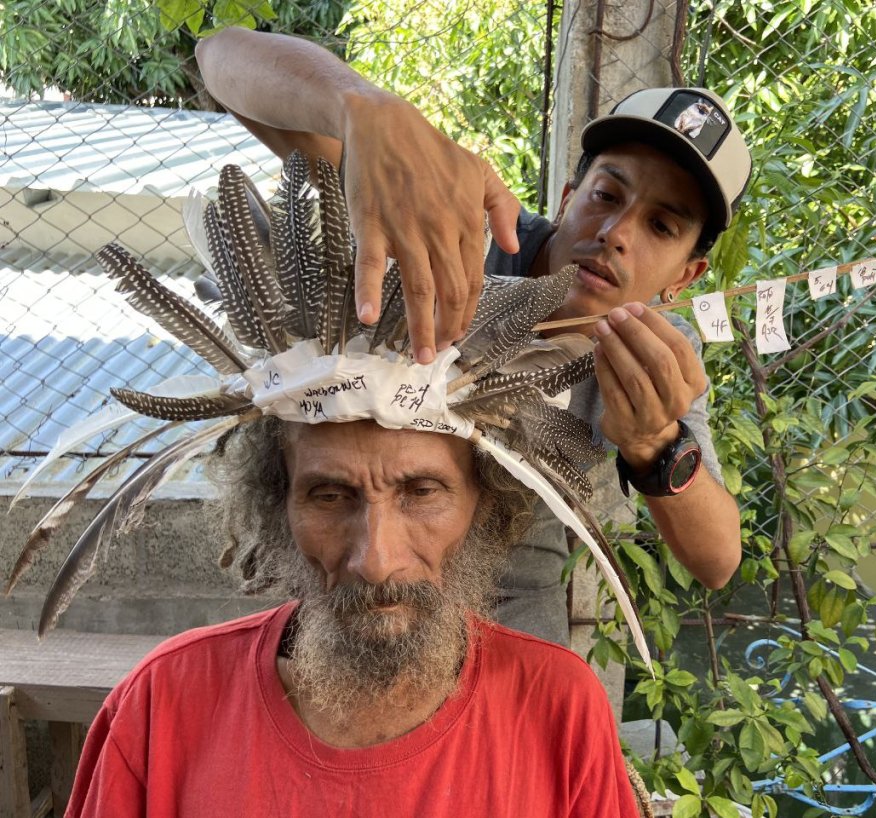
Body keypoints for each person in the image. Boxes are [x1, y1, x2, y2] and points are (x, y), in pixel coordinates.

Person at [195, 28, 747, 644]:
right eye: (606, 194)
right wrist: (360, 107)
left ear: (686, 277)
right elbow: (219, 57)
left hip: (507, 609)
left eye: (662, 226)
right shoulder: (457, 235)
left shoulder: (657, 356)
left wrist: (656, 445)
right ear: (568, 198)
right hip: (350, 583)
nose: (617, 231)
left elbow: (718, 560)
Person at [65, 417, 641, 817]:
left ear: (484, 504)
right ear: (277, 507)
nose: (375, 561)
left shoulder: (557, 703)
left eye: (421, 491)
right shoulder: (164, 699)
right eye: (330, 496)